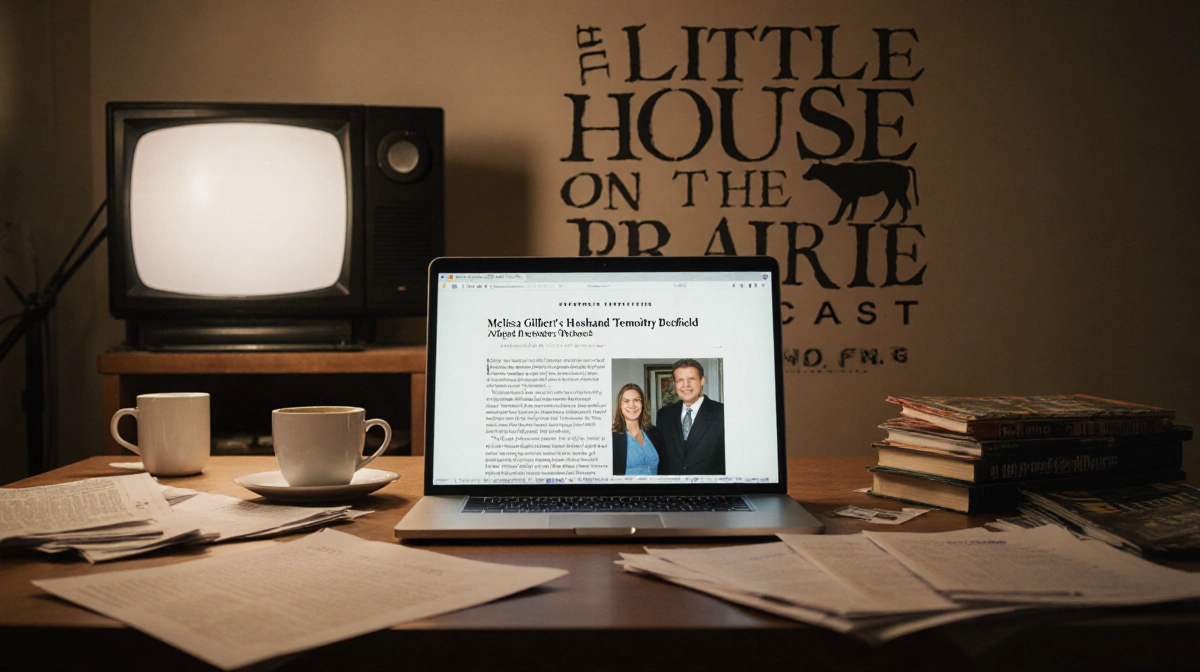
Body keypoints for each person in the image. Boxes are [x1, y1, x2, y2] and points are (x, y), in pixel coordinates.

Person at [655, 358, 725, 476]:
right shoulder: (664, 415)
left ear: (702, 380)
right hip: (673, 491)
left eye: (691, 379)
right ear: (674, 384)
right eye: (680, 380)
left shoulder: (722, 412)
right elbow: (663, 460)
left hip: (710, 491)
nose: (685, 385)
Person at [611, 383, 663, 476]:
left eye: (637, 400)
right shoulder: (612, 438)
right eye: (626, 401)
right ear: (620, 406)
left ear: (642, 404)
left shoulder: (654, 432)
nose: (632, 405)